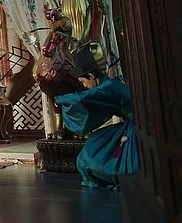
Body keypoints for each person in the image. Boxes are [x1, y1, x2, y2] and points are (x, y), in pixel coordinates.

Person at [54, 52, 138, 189]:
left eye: (83, 82)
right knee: (94, 143)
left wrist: (60, 99)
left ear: (91, 76)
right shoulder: (107, 85)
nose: (84, 86)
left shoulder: (108, 86)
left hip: (137, 128)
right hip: (131, 126)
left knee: (96, 155)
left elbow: (84, 98)